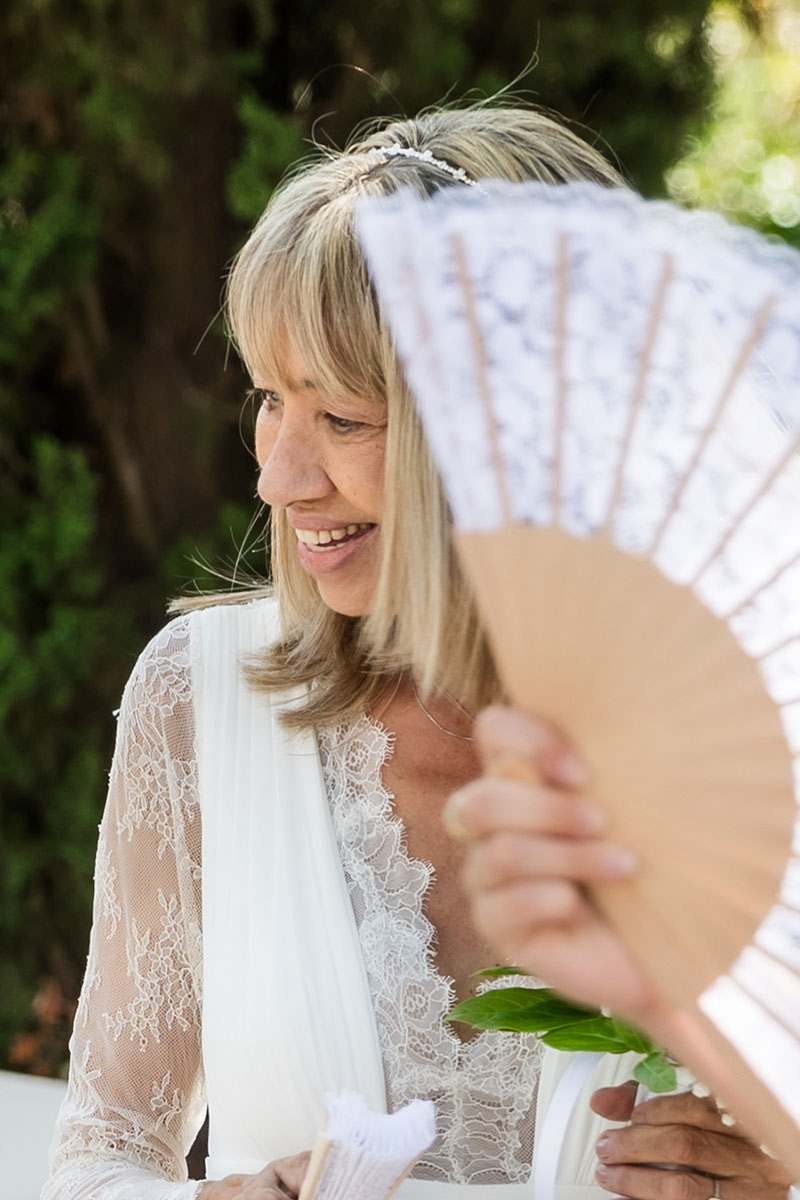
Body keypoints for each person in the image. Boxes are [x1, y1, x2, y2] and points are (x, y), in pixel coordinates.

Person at [43, 105, 790, 1200]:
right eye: (270, 401)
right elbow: (100, 1157)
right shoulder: (198, 702)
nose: (278, 478)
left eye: (342, 420)